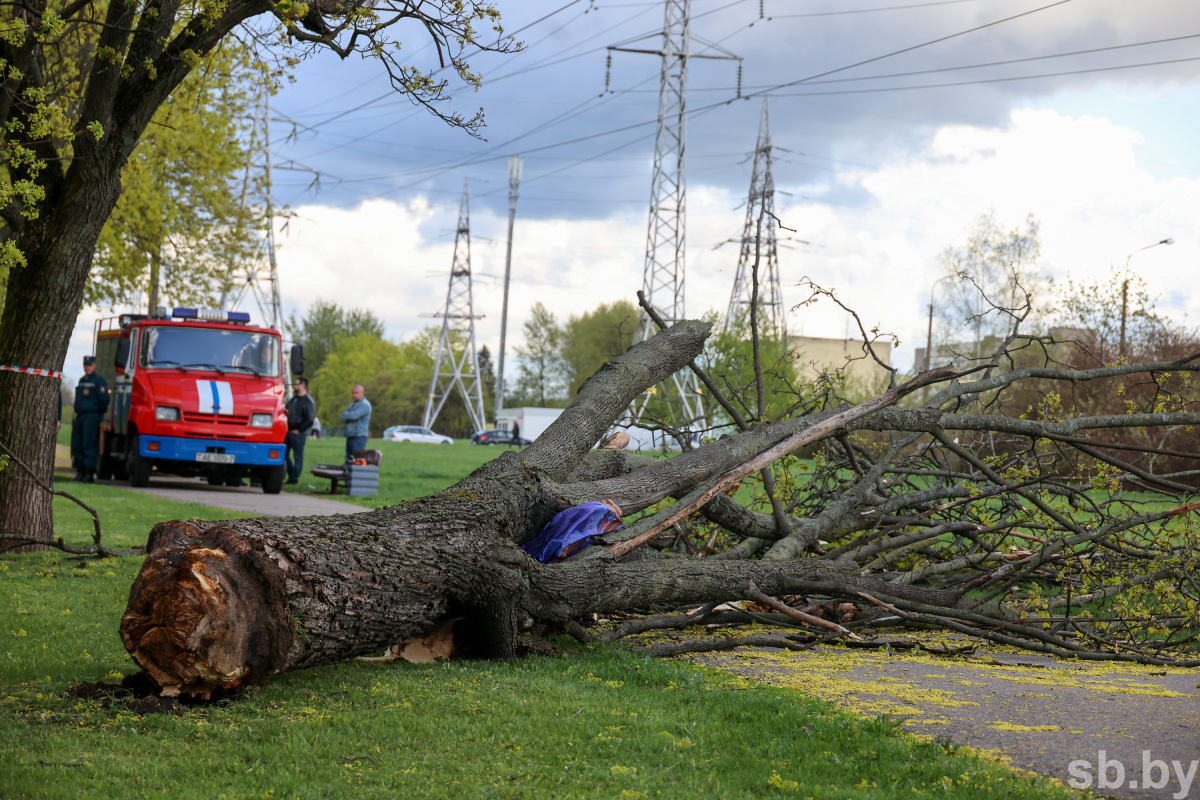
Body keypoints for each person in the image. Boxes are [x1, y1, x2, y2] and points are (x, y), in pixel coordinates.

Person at [71, 355, 109, 483]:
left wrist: (99, 413)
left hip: (92, 416)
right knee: (78, 444)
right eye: (85, 365)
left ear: (94, 366)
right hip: (80, 415)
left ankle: (88, 473)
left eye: (90, 365)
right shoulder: (82, 380)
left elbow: (104, 400)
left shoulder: (98, 381)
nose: (87, 367)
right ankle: (80, 471)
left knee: (89, 445)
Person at [284, 377, 316, 485]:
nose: (294, 386)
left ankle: (294, 479)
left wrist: (299, 429)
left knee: (298, 457)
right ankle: (292, 475)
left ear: (302, 386)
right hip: (288, 432)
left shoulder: (308, 402)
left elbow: (310, 419)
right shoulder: (294, 400)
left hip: (298, 434)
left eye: (296, 384)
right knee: (284, 454)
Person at [340, 383, 372, 461]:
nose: (354, 395)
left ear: (362, 393)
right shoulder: (352, 405)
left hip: (359, 437)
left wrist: (348, 415)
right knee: (349, 461)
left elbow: (353, 416)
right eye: (353, 393)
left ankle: (360, 473)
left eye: (356, 393)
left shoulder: (365, 405)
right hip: (350, 436)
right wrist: (349, 415)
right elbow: (342, 417)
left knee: (357, 461)